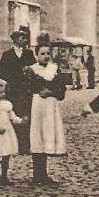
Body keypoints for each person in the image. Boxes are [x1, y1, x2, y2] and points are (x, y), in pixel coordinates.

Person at [28, 41, 67, 185]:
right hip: (37, 106)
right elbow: (29, 89)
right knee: (37, 136)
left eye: (47, 54)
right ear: (36, 55)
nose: (45, 56)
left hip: (51, 106)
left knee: (48, 135)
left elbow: (62, 91)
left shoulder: (55, 69)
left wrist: (51, 92)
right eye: (42, 54)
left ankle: (43, 174)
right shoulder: (31, 70)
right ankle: (36, 174)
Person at [0, 30, 36, 153]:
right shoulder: (7, 55)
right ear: (16, 39)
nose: (25, 40)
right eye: (22, 38)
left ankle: (25, 146)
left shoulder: (29, 54)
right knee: (13, 116)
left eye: (25, 38)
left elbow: (35, 70)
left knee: (26, 117)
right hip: (12, 91)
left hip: (26, 91)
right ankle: (14, 145)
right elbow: (0, 74)